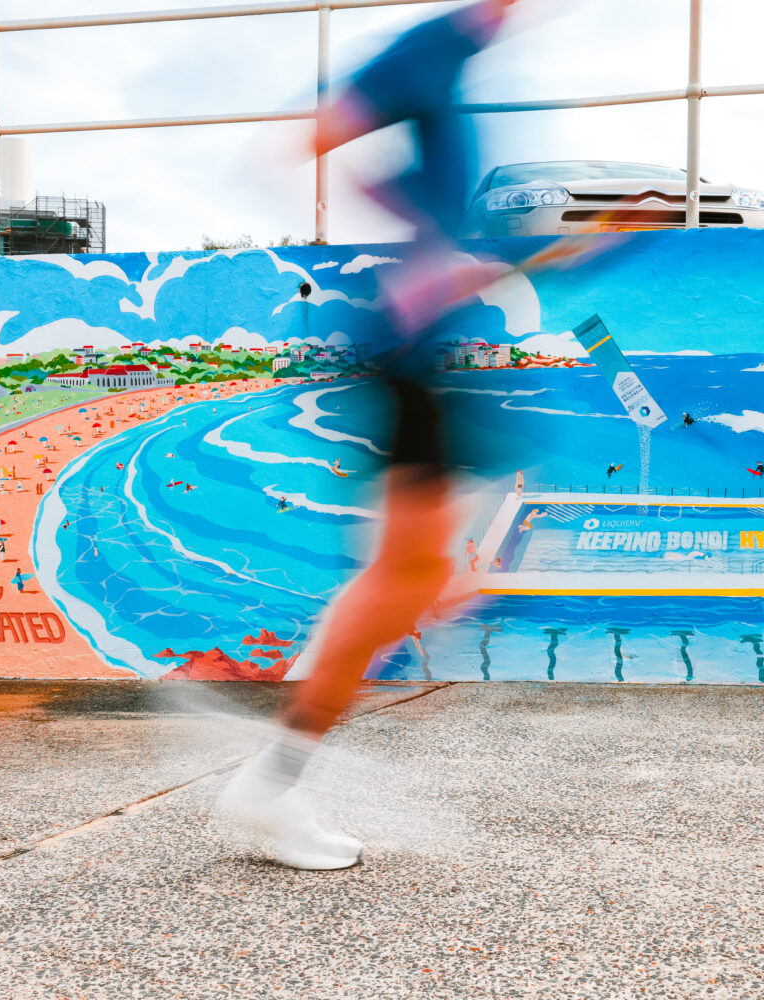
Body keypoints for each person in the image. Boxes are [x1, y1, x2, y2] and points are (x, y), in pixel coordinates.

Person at [215, 0, 519, 872]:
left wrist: (439, 236)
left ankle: (273, 782)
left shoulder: (460, 54)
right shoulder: (434, 47)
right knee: (408, 576)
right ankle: (270, 785)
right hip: (410, 352)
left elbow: (375, 170)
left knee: (417, 573)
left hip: (421, 354)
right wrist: (429, 253)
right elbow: (317, 136)